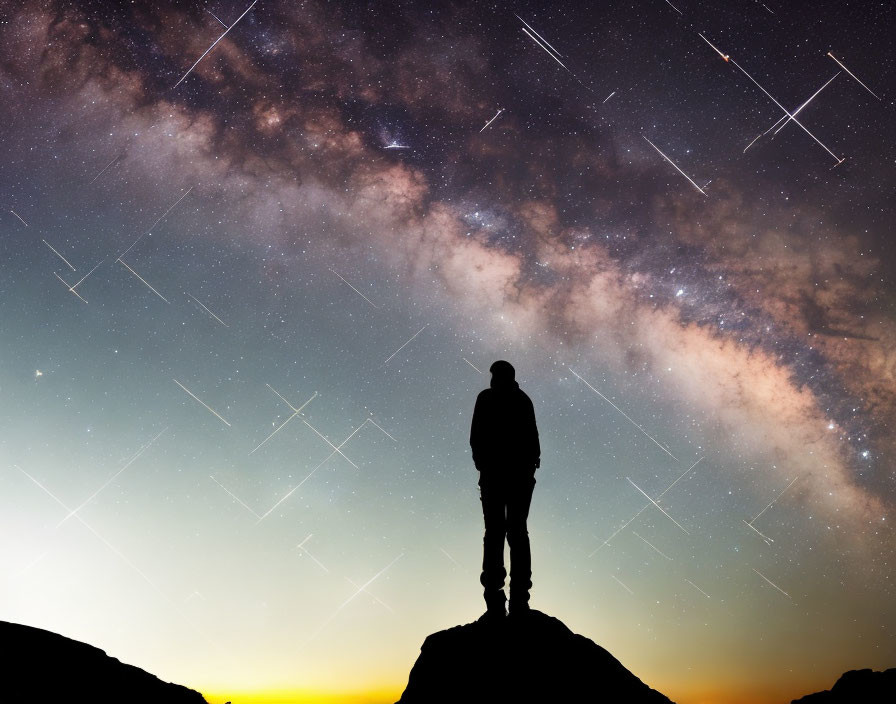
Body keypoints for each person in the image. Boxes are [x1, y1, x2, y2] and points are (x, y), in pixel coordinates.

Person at [469, 360, 540, 618]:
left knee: (507, 533)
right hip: (502, 477)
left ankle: (511, 600)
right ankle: (504, 600)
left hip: (507, 477)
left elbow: (532, 441)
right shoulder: (517, 400)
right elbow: (476, 437)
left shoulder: (512, 400)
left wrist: (485, 466)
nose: (492, 380)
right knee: (506, 533)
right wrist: (484, 467)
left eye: (495, 376)